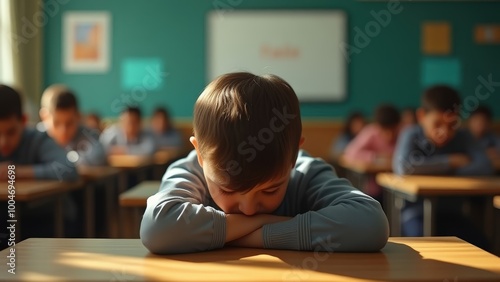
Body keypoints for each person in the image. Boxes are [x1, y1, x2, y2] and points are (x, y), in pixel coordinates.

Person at [140, 72, 389, 254]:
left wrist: (245, 235)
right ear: (201, 155)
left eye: (270, 189)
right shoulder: (192, 169)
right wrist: (263, 223)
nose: (248, 210)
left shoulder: (306, 171)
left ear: (293, 156)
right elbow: (157, 228)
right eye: (227, 189)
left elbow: (371, 224)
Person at [393, 85, 493, 249]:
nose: (444, 132)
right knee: (423, 247)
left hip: (452, 214)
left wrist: (439, 170)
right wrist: (450, 162)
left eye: (451, 124)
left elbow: (485, 166)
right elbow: (404, 167)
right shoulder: (411, 134)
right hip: (416, 214)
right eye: (437, 123)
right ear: (421, 116)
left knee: (483, 246)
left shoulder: (463, 136)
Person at [0, 84, 78, 181]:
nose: (3, 142)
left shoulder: (37, 139)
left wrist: (15, 172)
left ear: (23, 121)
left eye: (11, 132)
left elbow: (68, 169)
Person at [343, 104, 401, 200]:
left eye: (393, 130)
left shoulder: (404, 132)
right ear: (378, 126)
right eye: (385, 130)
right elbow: (350, 153)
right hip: (374, 188)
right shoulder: (371, 132)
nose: (389, 135)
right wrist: (376, 157)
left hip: (398, 187)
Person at [39, 84, 107, 166]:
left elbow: (98, 158)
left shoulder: (89, 136)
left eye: (69, 123)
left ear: (78, 117)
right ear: (44, 117)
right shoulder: (35, 139)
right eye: (56, 123)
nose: (63, 130)